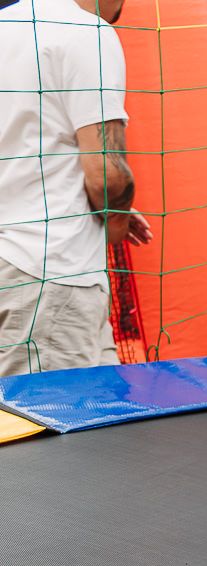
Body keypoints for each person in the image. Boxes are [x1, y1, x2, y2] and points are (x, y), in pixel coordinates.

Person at [0, 0, 151, 377]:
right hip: (52, 270)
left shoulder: (6, 24)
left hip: (18, 264)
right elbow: (108, 175)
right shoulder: (87, 32)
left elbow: (28, 147)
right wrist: (115, 217)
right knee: (44, 424)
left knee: (104, 409)